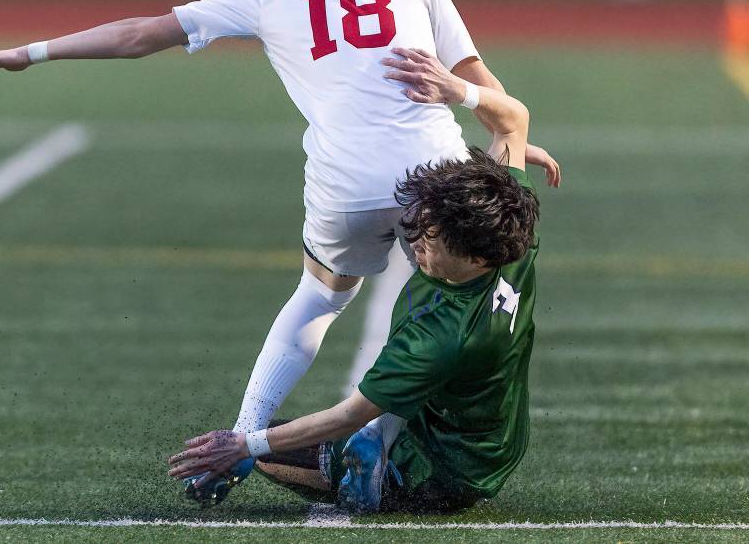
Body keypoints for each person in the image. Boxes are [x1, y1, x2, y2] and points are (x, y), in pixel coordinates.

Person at [0, 0, 559, 505]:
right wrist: (513, 144)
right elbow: (470, 73)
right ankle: (390, 434)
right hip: (435, 169)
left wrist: (29, 52)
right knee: (446, 299)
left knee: (320, 297)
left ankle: (242, 441)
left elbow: (139, 35)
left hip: (347, 180)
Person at [168, 52, 542, 513]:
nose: (415, 240)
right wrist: (457, 90)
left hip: (447, 469)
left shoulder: (441, 335)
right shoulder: (510, 231)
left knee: (277, 447)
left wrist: (245, 446)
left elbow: (347, 412)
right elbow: (513, 121)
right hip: (491, 437)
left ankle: (382, 465)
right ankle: (378, 439)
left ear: (475, 256)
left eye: (431, 238)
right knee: (394, 406)